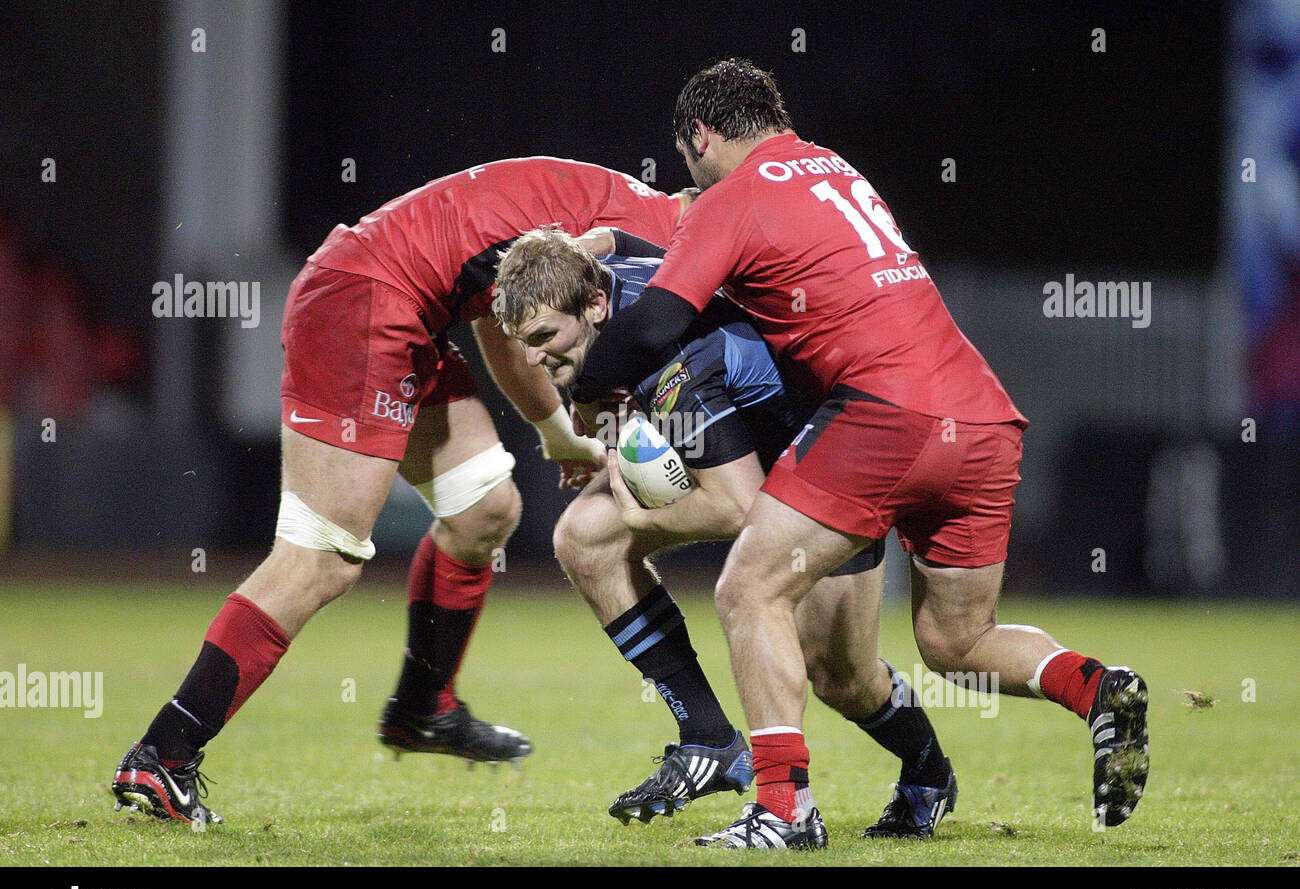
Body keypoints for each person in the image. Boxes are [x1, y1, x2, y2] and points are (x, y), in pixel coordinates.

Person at [570, 60, 1150, 849]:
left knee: (747, 588)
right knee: (957, 643)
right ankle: (1097, 689)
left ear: (699, 135)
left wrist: (583, 400)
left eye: (685, 157)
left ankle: (782, 809)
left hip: (884, 418)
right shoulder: (836, 169)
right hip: (980, 420)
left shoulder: (729, 197)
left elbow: (652, 323)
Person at [111, 158, 695, 825]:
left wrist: (558, 433)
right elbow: (529, 337)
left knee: (484, 511)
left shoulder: (629, 208)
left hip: (397, 302)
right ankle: (164, 752)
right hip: (368, 300)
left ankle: (424, 707)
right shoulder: (648, 247)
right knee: (319, 556)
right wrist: (573, 431)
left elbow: (503, 321)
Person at [493, 227, 957, 839]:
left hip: (823, 462)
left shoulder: (672, 360)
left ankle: (927, 774)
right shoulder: (606, 294)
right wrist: (612, 445)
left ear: (598, 306)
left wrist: (639, 514)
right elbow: (623, 238)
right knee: (583, 537)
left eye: (544, 337)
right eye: (520, 343)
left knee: (841, 676)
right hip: (742, 453)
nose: (530, 359)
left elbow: (737, 511)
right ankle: (709, 738)